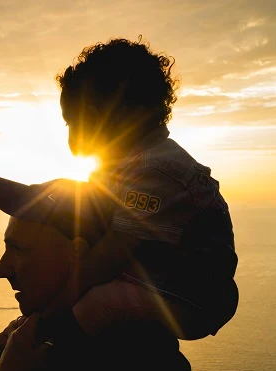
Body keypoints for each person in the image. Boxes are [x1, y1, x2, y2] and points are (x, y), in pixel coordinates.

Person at [39, 36, 239, 342]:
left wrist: (49, 309)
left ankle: (48, 346)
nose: (70, 136)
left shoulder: (155, 170)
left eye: (72, 122)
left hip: (191, 298)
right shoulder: (127, 164)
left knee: (95, 305)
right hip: (158, 279)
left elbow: (111, 254)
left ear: (100, 115)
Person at [0, 174, 202, 371]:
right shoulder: (52, 347)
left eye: (19, 249)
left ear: (77, 254)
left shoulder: (127, 370)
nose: (1, 270)